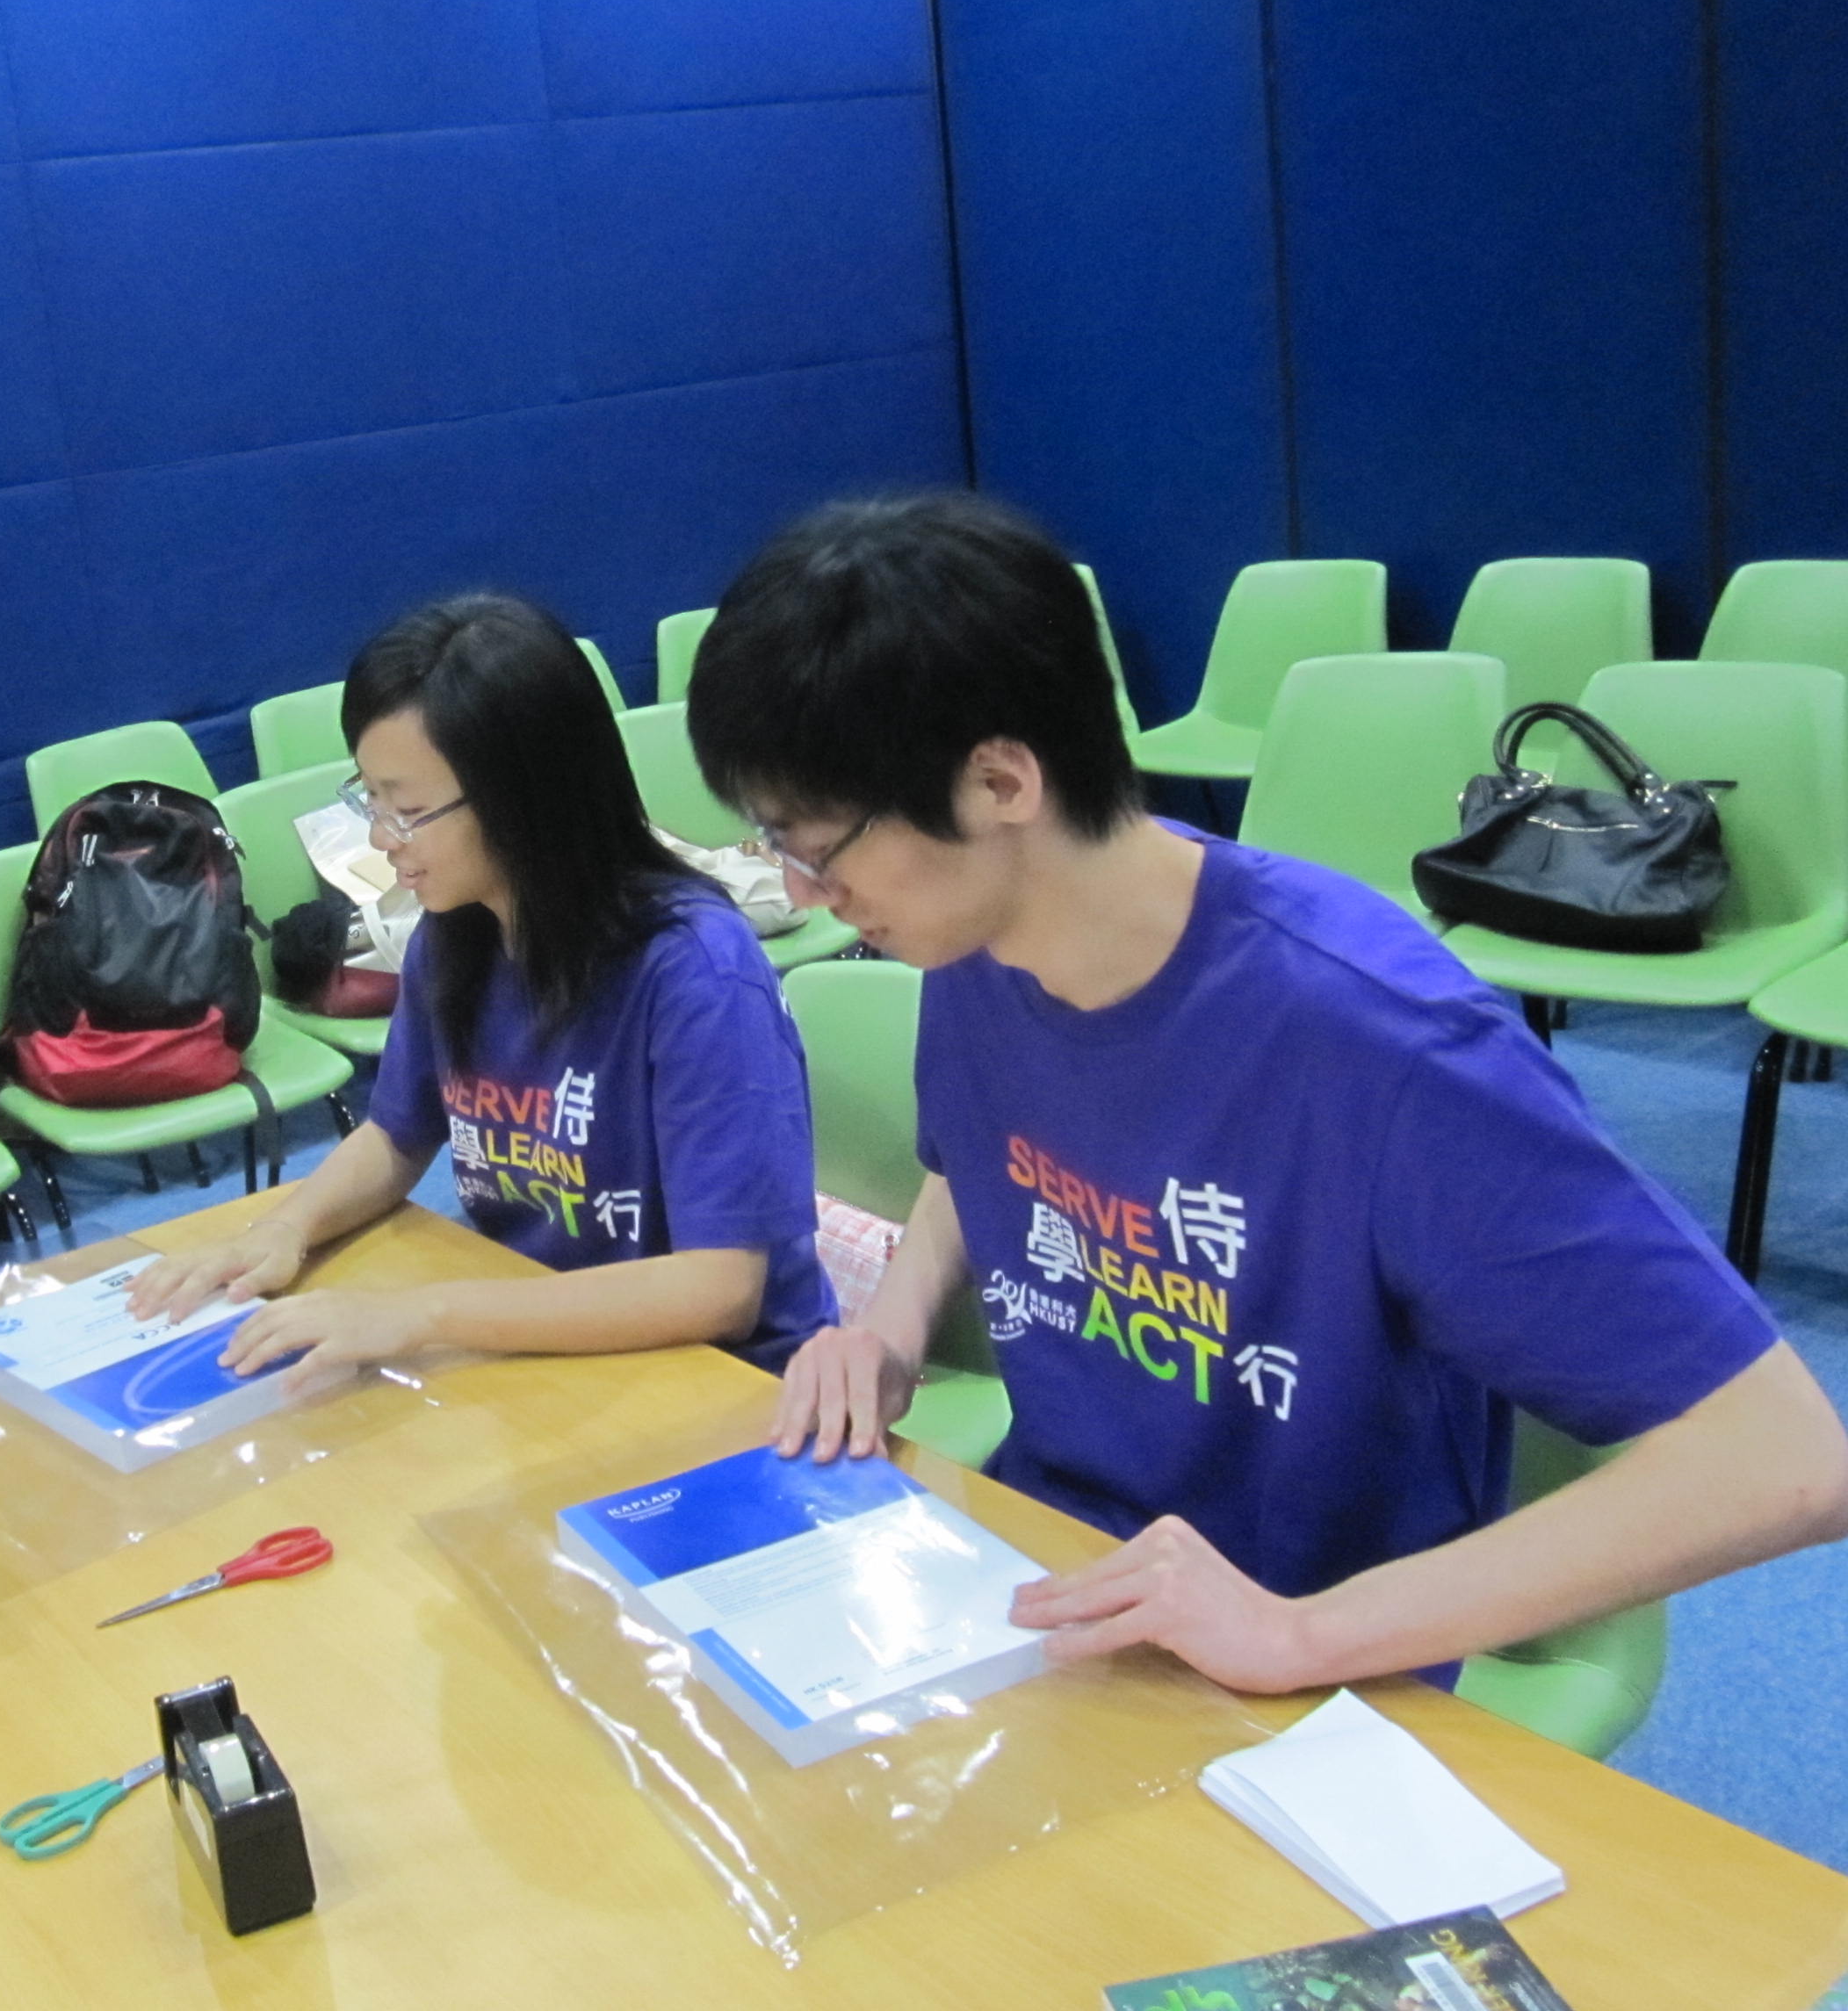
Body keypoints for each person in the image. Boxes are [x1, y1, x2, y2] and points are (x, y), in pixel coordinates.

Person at [683, 489, 1848, 1695]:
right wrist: (890, 1329)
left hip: (1309, 1670)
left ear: (999, 783)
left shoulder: (1384, 1044)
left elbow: (1787, 1462)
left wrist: (1303, 1637)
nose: (804, 892)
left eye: (820, 845)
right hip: (1060, 1585)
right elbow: (975, 1160)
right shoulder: (976, 949)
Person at [128, 593, 835, 1382]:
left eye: (409, 809)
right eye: (373, 800)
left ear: (525, 796)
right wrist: (286, 1229)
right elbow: (397, 1135)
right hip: (541, 1343)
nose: (379, 838)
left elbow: (717, 1291)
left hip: (721, 1378)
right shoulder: (458, 931)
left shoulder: (695, 972)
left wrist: (423, 1315)